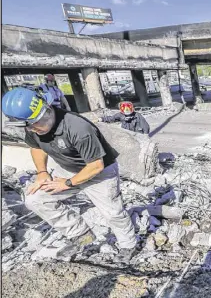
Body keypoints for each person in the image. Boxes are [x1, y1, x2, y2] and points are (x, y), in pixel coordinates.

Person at [1, 87, 138, 263]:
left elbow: (96, 165)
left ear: (46, 107)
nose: (35, 129)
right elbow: (35, 147)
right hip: (68, 169)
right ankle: (80, 234)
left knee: (113, 212)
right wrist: (42, 172)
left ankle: (129, 245)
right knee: (35, 199)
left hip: (100, 172)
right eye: (30, 125)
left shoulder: (77, 127)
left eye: (39, 122)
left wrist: (68, 183)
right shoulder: (31, 127)